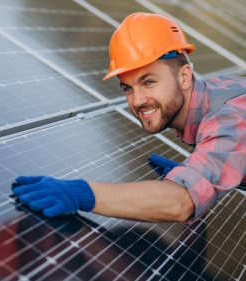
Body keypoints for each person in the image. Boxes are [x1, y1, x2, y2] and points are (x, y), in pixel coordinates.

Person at [12, 12, 246, 223]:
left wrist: (80, 193)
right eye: (128, 88)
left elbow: (181, 203)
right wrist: (197, 170)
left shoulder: (229, 118)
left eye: (149, 82)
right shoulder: (217, 90)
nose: (137, 101)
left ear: (185, 76)